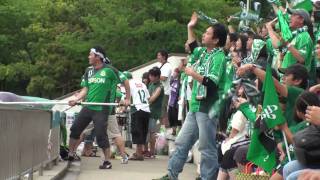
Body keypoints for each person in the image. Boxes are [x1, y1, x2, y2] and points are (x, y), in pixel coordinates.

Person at [155, 19, 228, 180]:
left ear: (216, 40)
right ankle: (172, 175)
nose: (204, 34)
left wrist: (192, 73)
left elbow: (212, 83)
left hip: (208, 108)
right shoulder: (202, 52)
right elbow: (193, 45)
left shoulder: (219, 57)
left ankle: (208, 177)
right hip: (195, 106)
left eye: (208, 33)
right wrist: (189, 27)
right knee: (182, 142)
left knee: (206, 147)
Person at [67, 46, 130, 169]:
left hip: (102, 109)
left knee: (101, 135)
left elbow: (125, 81)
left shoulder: (110, 70)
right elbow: (86, 88)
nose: (88, 57)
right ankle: (70, 153)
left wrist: (128, 98)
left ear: (98, 57)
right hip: (88, 106)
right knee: (75, 129)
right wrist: (76, 99)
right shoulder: (88, 71)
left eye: (91, 54)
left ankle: (107, 161)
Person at [123, 71, 151, 161]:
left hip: (137, 109)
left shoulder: (128, 84)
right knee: (143, 131)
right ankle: (139, 152)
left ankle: (139, 154)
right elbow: (148, 98)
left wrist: (122, 105)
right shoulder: (142, 84)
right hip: (146, 109)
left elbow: (126, 99)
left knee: (136, 131)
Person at [145, 67, 164, 158]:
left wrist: (145, 101)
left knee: (152, 132)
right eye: (150, 75)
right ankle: (145, 150)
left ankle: (152, 152)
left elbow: (152, 98)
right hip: (147, 110)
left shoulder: (160, 86)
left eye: (152, 76)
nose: (150, 77)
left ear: (157, 77)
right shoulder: (150, 84)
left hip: (154, 112)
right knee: (146, 131)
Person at [157, 50, 172, 127]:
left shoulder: (167, 66)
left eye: (159, 55)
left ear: (164, 57)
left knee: (163, 109)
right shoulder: (161, 66)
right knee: (160, 109)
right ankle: (162, 126)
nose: (157, 57)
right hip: (161, 91)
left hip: (165, 91)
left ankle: (165, 126)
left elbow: (164, 78)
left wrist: (155, 76)